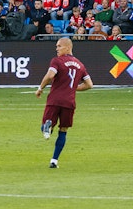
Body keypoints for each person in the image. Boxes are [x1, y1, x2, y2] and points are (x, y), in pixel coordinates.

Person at [35, 37, 93, 169]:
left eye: (59, 46)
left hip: (55, 100)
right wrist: (74, 88)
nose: (57, 48)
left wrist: (40, 88)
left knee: (44, 126)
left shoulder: (57, 61)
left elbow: (50, 76)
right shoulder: (80, 65)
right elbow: (89, 84)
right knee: (64, 130)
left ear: (68, 47)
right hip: (69, 102)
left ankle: (48, 127)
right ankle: (54, 160)